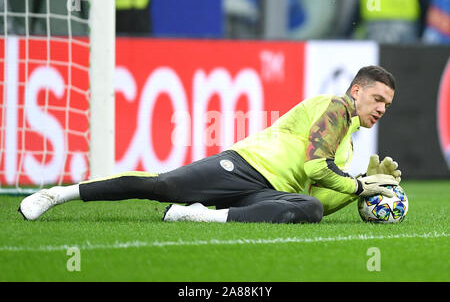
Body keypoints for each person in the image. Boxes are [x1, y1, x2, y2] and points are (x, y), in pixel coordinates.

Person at [18, 66, 402, 224]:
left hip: (269, 193)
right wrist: (359, 184)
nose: (382, 108)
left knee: (312, 209)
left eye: (387, 104)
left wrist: (359, 187)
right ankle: (57, 195)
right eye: (378, 98)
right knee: (162, 185)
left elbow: (319, 189)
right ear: (356, 91)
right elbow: (317, 167)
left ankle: (199, 215)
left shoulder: (348, 147)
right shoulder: (335, 108)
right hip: (245, 166)